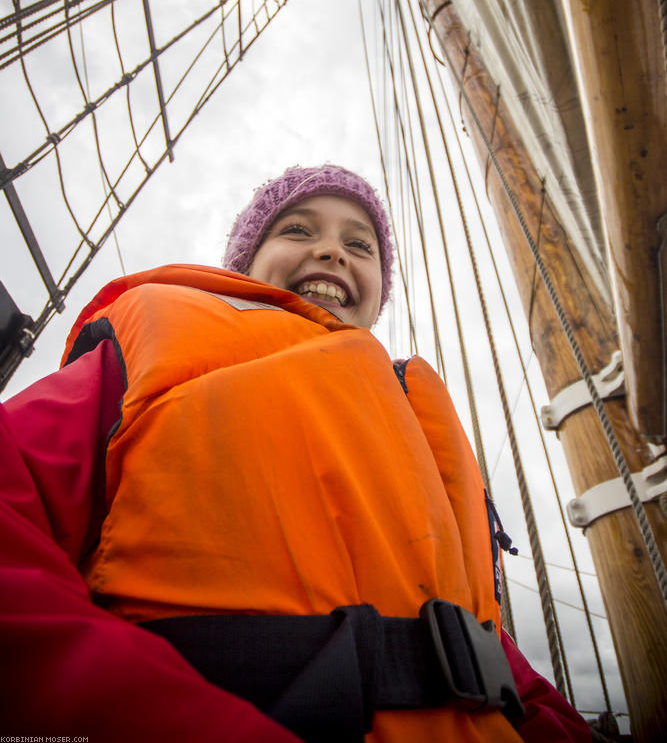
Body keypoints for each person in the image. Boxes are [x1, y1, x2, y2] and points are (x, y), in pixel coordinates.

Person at [1, 164, 591, 742]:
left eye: (359, 244)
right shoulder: (155, 348)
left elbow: (483, 637)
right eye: (298, 231)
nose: (333, 252)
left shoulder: (409, 422)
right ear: (247, 265)